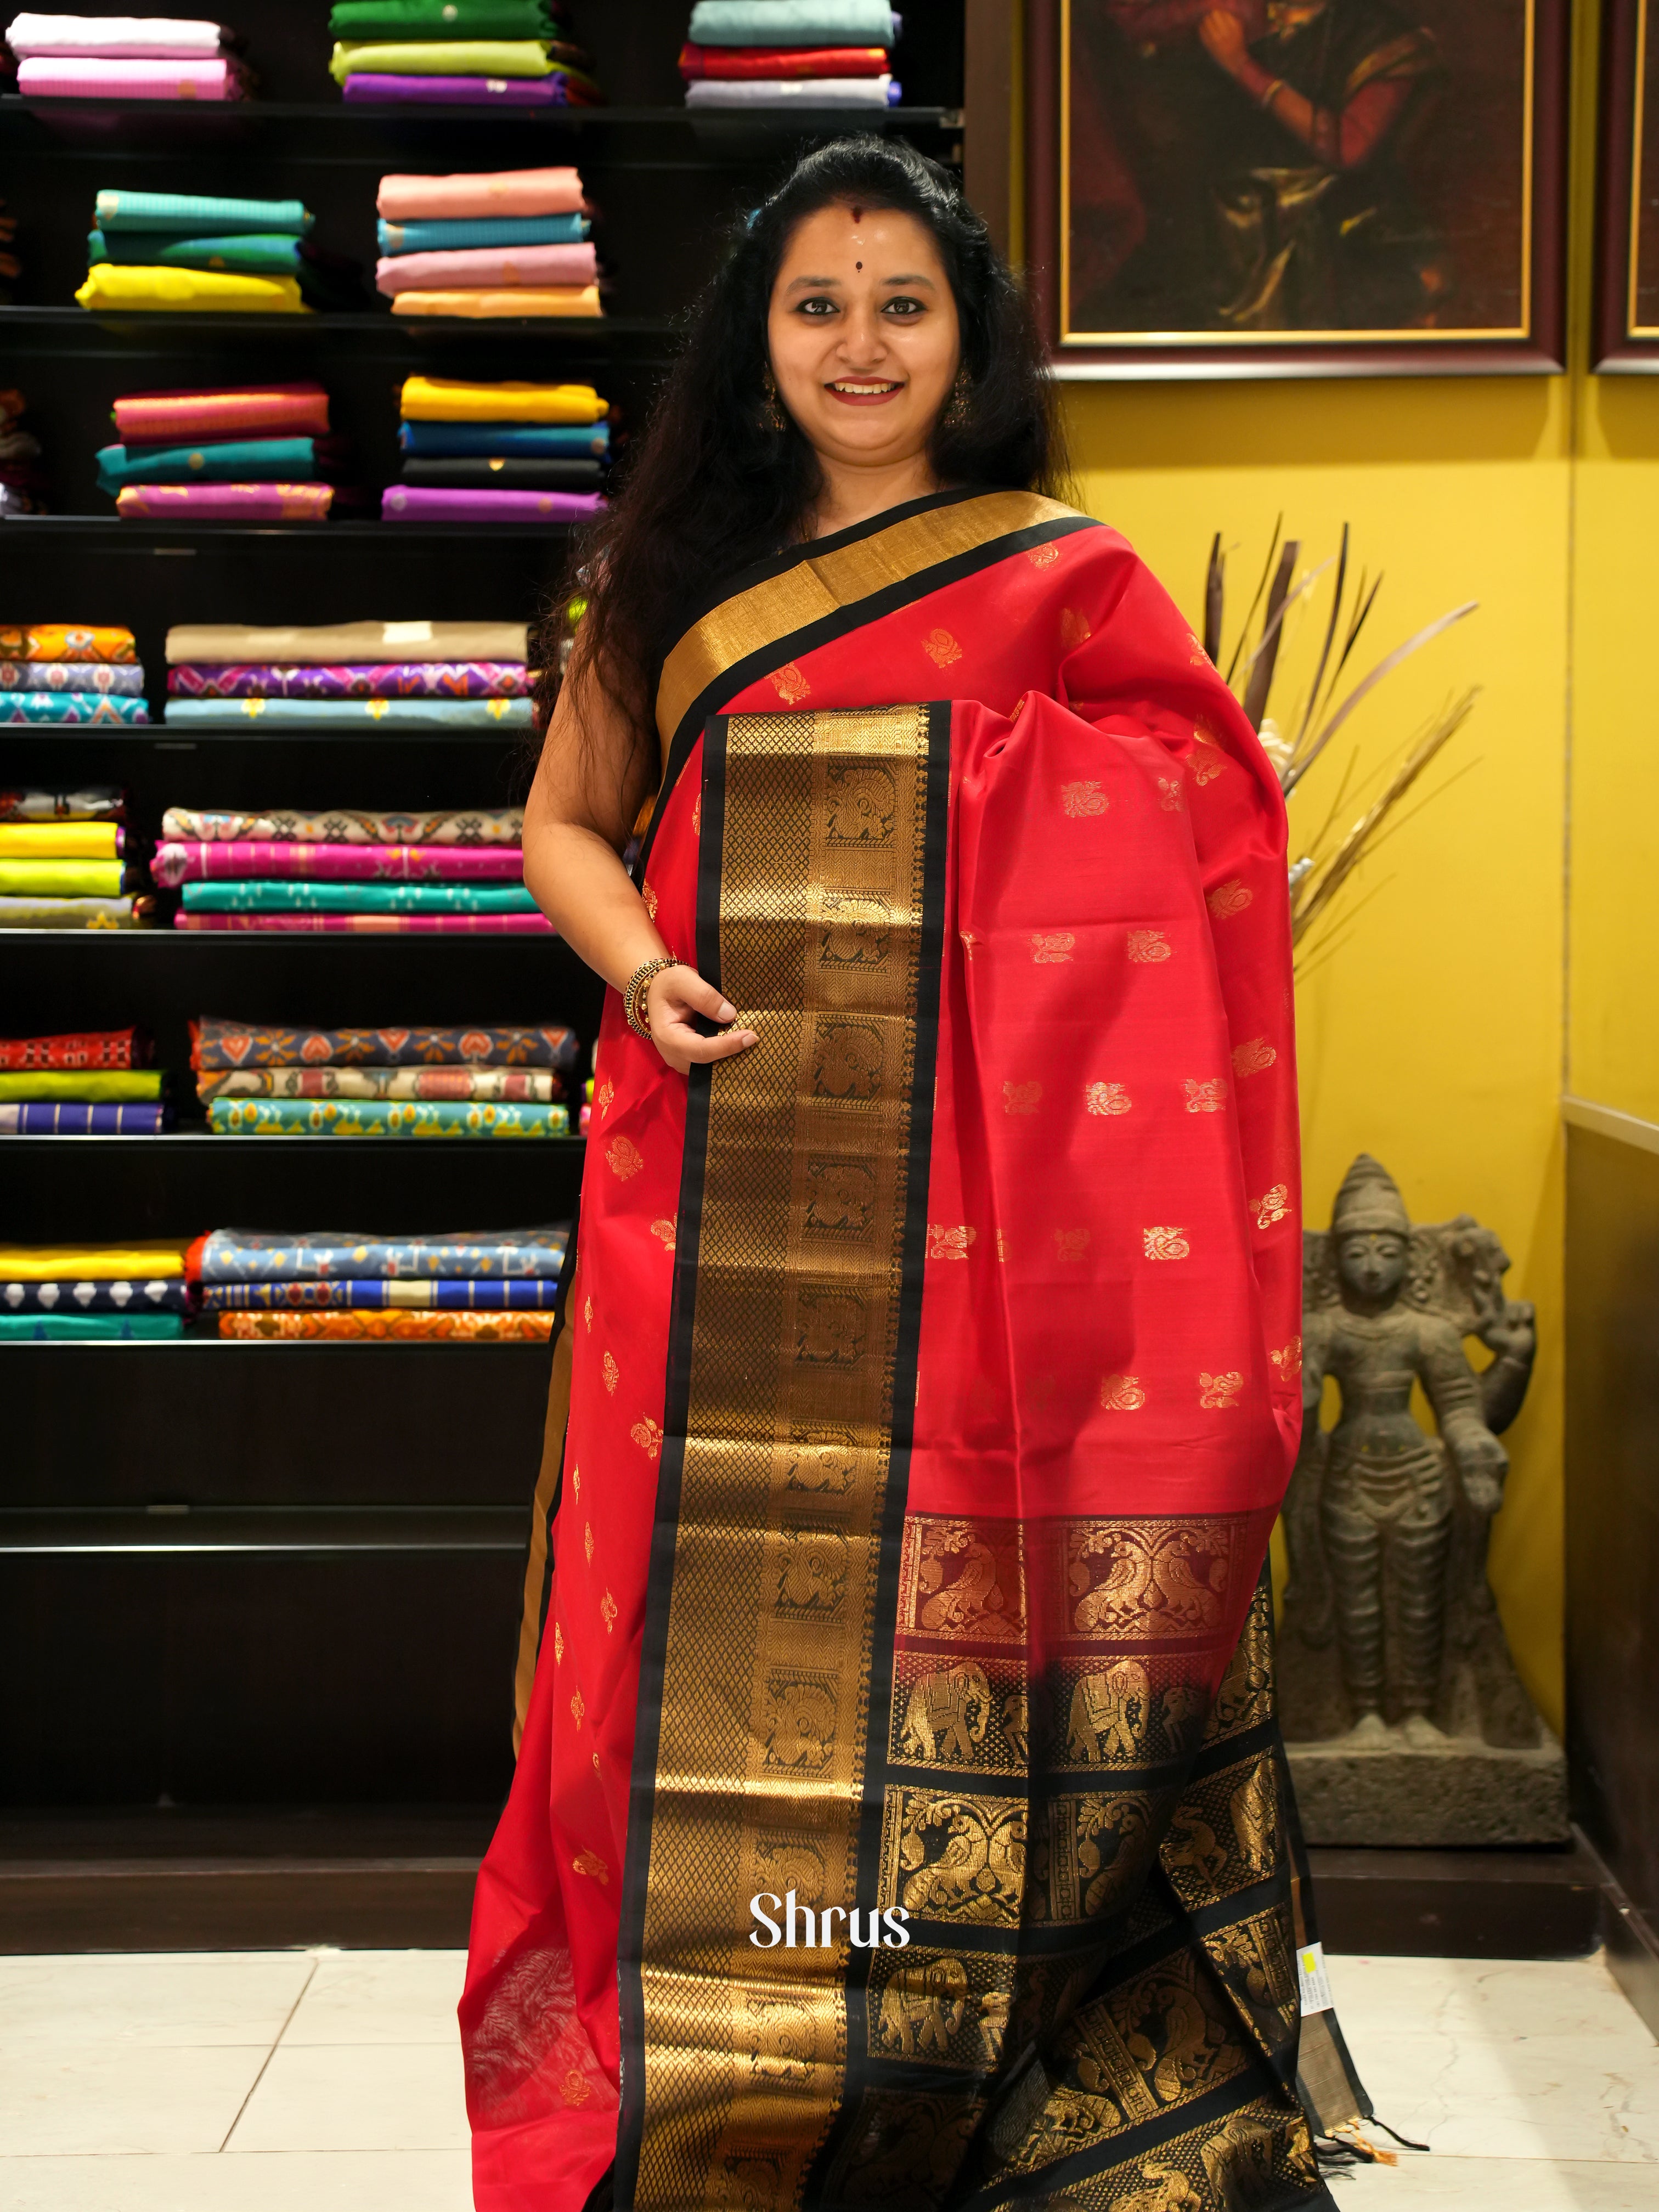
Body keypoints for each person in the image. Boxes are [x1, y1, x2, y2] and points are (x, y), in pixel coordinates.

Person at [461, 134, 1341, 2212]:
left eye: (904, 305)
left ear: (970, 339)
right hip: (723, 1162)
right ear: (756, 343)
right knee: (687, 1599)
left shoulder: (1060, 573)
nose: (861, 345)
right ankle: (729, 2034)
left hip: (1002, 1217)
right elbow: (564, 823)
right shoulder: (671, 577)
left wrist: (1101, 809)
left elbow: (1206, 805)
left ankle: (971, 2025)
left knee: (980, 1591)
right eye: (817, 306)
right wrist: (648, 967)